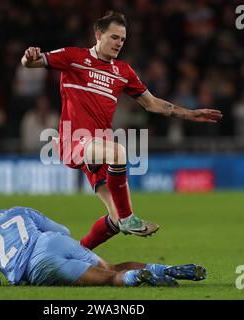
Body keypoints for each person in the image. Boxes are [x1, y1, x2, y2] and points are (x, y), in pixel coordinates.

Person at [21, 11, 223, 250]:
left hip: (98, 148)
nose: (119, 43)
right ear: (99, 35)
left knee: (114, 220)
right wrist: (28, 56)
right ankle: (130, 218)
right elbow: (31, 62)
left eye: (123, 40)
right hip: (74, 142)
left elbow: (153, 103)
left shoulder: (123, 72)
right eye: (114, 37)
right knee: (118, 152)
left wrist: (191, 114)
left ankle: (76, 253)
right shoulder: (73, 57)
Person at [0, 186, 207, 287]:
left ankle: (135, 278)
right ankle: (167, 269)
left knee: (110, 279)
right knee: (110, 267)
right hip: (54, 242)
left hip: (38, 266)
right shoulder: (19, 211)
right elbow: (63, 231)